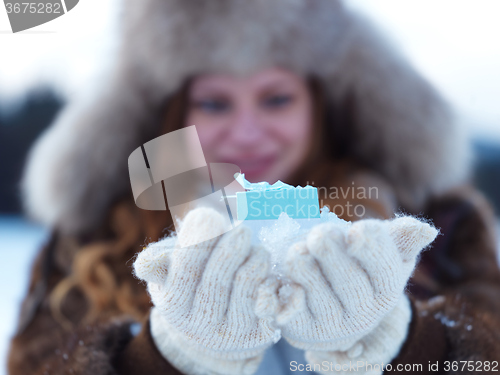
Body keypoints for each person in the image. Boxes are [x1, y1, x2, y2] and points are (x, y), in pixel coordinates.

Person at [9, 0, 500, 374]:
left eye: (276, 98)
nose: (246, 132)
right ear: (177, 114)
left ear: (318, 106)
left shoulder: (436, 222)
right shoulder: (95, 237)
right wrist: (170, 355)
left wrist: (400, 342)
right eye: (216, 104)